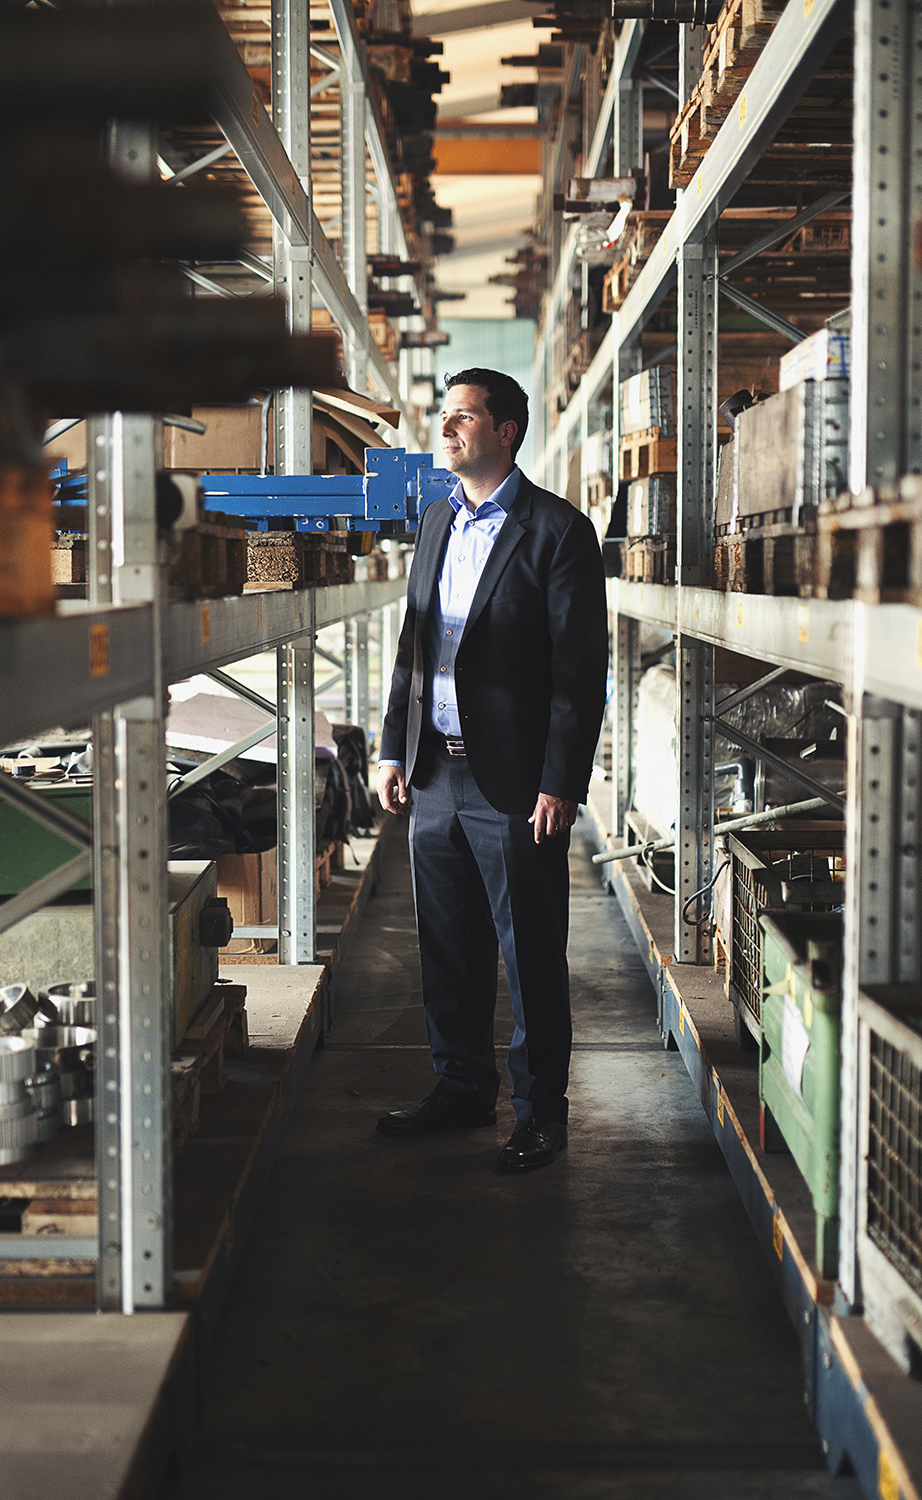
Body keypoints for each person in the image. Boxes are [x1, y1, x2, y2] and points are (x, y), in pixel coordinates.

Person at [375, 368, 608, 1173]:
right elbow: (414, 645)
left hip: (514, 785)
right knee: (448, 946)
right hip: (434, 773)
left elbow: (580, 670)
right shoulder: (436, 520)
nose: (446, 429)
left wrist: (561, 781)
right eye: (445, 417)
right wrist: (392, 748)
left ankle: (541, 1113)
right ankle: (462, 1087)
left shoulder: (558, 531)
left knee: (530, 952)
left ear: (506, 432)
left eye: (463, 417)